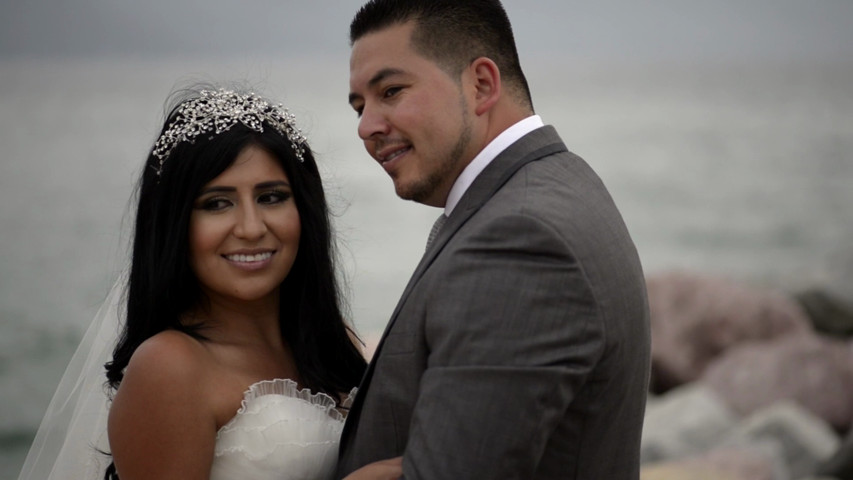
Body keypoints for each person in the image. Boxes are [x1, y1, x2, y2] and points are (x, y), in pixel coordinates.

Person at [18, 86, 402, 480]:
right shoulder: (169, 366)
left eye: (271, 197)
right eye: (217, 203)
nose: (252, 228)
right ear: (175, 223)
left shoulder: (333, 342)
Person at [339, 1, 651, 479]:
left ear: (481, 84)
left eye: (391, 91)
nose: (367, 127)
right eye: (361, 106)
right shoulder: (556, 180)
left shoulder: (521, 240)